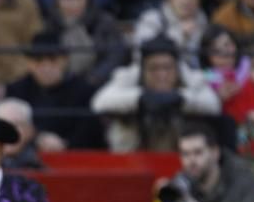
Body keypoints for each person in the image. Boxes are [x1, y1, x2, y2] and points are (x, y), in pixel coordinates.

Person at [91, 34, 220, 151]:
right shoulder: (130, 76)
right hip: (134, 159)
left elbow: (213, 104)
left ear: (177, 68)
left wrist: (181, 98)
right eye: (154, 68)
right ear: (143, 69)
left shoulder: (190, 78)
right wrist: (140, 98)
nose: (162, 75)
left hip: (182, 159)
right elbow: (99, 102)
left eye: (167, 68)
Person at [5, 29, 105, 150]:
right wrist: (36, 138)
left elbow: (90, 133)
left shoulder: (84, 91)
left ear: (64, 60)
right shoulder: (16, 91)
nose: (46, 67)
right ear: (29, 64)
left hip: (74, 158)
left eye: (53, 60)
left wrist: (65, 145)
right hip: (26, 158)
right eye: (38, 60)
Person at [154, 121, 254, 202]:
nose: (191, 161)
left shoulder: (243, 181)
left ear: (215, 153)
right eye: (185, 154)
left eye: (198, 152)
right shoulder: (182, 182)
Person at [43, 0, 127, 88]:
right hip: (59, 86)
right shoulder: (49, 24)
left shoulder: (104, 22)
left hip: (98, 84)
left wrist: (93, 78)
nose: (70, 4)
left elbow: (115, 55)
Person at [133, 0, 208, 68]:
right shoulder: (151, 20)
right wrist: (180, 35)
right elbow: (141, 56)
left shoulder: (202, 21)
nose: (187, 0)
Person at [200, 23, 250, 105]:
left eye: (227, 44)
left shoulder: (249, 66)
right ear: (207, 56)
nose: (224, 52)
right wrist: (217, 97)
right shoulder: (206, 76)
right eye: (216, 49)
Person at [0, 97, 44, 168]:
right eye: (2, 124)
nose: (8, 131)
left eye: (16, 124)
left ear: (30, 130)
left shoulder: (39, 167)